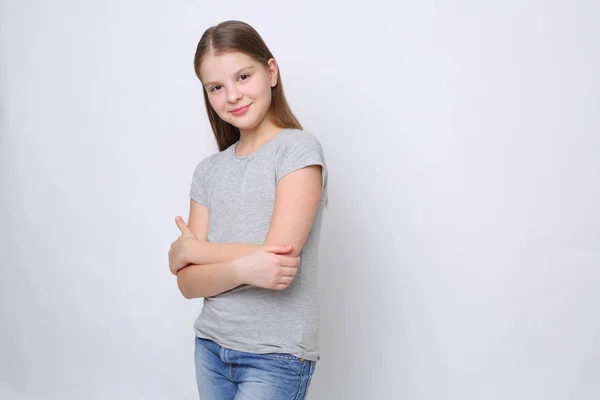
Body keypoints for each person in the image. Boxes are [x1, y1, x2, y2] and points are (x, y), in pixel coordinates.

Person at [167, 20, 328, 400]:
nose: (233, 95)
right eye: (216, 87)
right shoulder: (208, 171)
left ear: (270, 72)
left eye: (243, 76)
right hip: (210, 347)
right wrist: (242, 267)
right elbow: (187, 283)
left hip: (275, 356)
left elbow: (277, 265)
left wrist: (193, 251)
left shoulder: (297, 150)